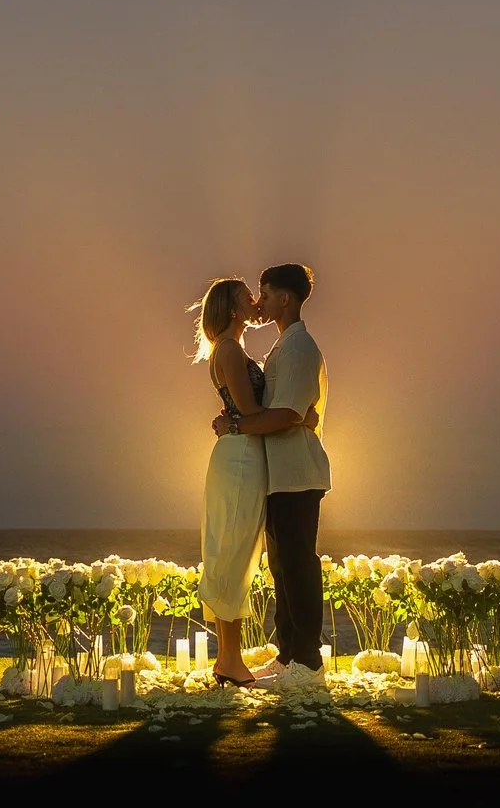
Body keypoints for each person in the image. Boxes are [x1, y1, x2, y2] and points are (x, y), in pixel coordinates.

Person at [213, 261, 327, 670]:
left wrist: (236, 425)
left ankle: (308, 660)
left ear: (285, 298)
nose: (259, 303)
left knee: (298, 564)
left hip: (297, 471)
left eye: (264, 294)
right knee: (282, 566)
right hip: (278, 472)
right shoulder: (283, 345)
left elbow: (288, 414)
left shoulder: (297, 347)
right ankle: (288, 656)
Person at [194, 275, 270, 685]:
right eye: (248, 298)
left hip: (241, 452)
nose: (257, 302)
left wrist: (234, 424)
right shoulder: (229, 351)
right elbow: (250, 411)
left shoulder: (230, 349)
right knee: (233, 552)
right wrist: (296, 415)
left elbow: (242, 415)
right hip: (240, 458)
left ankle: (228, 659)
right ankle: (230, 659)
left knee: (233, 551)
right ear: (233, 308)